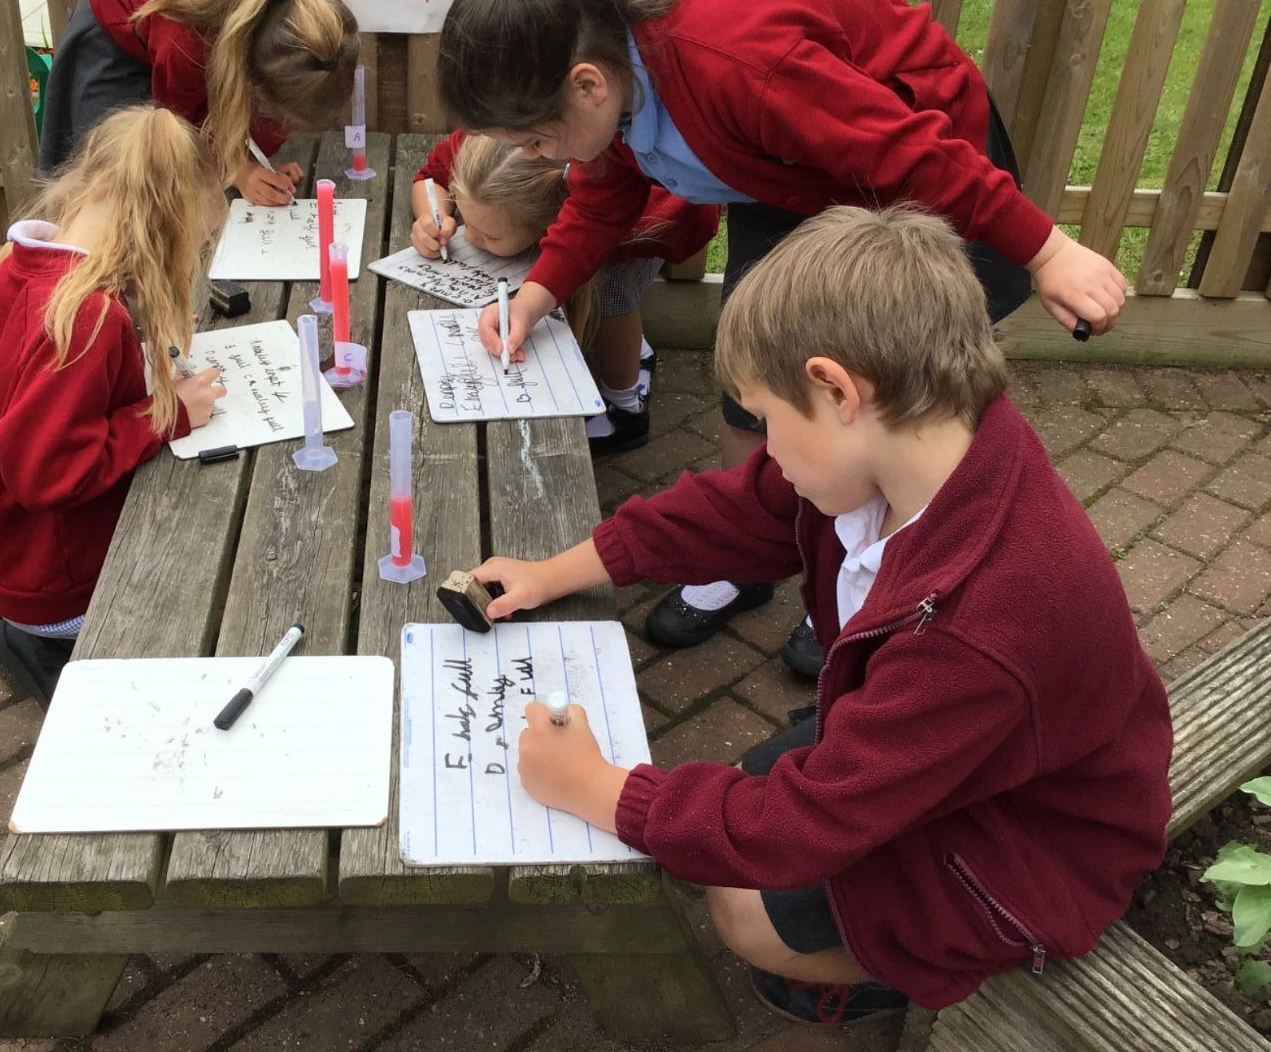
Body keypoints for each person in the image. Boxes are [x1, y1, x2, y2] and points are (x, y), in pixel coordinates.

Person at [473, 206, 1170, 1024]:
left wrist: (599, 791)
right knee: (738, 799)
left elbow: (799, 826)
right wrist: (555, 573)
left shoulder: (978, 627)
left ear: (837, 389)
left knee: (742, 909)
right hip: (948, 756)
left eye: (767, 419)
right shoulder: (918, 443)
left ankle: (889, 974)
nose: (765, 448)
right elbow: (733, 512)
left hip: (1029, 849)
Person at [434, 0, 1130, 666]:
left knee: (888, 400)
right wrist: (536, 295)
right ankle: (751, 560)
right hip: (780, 178)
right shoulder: (605, 77)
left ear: (587, 86)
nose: (543, 158)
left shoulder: (736, 63)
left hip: (921, 172)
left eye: (537, 141)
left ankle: (868, 588)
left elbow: (911, 155)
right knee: (757, 378)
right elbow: (603, 199)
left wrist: (1049, 250)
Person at [0, 107, 228, 705]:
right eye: (193, 243)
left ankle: (32, 643)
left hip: (12, 557)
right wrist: (167, 413)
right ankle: (56, 656)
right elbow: (48, 470)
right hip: (59, 591)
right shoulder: (88, 318)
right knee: (214, 573)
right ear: (161, 232)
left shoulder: (19, 268)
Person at [410, 131, 719, 454]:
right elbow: (431, 177)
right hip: (610, 200)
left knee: (614, 298)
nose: (469, 238)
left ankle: (627, 406)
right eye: (465, 219)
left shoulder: (616, 218)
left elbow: (598, 260)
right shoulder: (481, 154)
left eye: (490, 236)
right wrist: (432, 217)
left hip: (652, 221)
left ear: (554, 221)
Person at [38, 0, 359, 205]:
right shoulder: (185, 43)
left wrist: (253, 162)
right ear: (255, 81)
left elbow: (234, 98)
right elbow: (182, 129)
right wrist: (239, 170)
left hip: (204, 24)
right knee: (106, 189)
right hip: (118, 33)